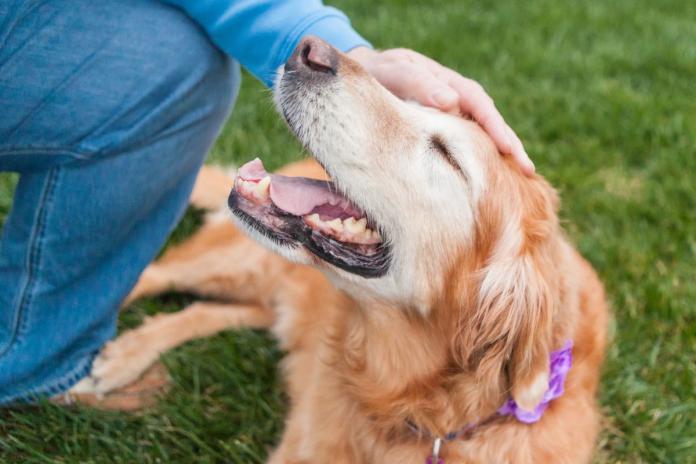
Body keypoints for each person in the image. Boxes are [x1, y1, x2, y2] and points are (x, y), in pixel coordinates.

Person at [0, 0, 533, 407]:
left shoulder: (508, 306)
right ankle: (46, 345)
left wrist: (360, 55)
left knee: (180, 56)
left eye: (441, 154)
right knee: (182, 65)